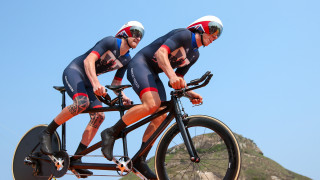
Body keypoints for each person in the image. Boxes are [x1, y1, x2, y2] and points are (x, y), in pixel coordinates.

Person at [100, 15, 223, 179]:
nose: (215, 37)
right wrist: (172, 77)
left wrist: (189, 93)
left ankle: (140, 159)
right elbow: (161, 54)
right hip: (140, 65)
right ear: (201, 27)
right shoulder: (185, 35)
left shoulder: (194, 55)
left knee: (161, 115)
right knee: (152, 104)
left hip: (154, 74)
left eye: (218, 35)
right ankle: (111, 132)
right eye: (214, 31)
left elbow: (178, 80)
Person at [39, 21, 144, 178]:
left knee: (99, 116)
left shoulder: (127, 59)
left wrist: (123, 97)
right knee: (82, 103)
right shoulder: (110, 41)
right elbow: (88, 61)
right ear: (125, 32)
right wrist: (96, 84)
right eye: (135, 32)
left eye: (142, 35)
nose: (138, 37)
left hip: (90, 82)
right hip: (75, 72)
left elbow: (116, 84)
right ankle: (47, 132)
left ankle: (78, 158)